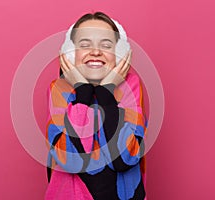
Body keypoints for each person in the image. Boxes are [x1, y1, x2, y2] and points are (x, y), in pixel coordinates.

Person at [45, 12, 147, 200]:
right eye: (84, 45)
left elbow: (124, 158)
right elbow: (72, 160)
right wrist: (82, 91)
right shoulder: (59, 89)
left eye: (106, 45)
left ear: (120, 54)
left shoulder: (130, 86)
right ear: (69, 53)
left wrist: (106, 92)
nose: (95, 51)